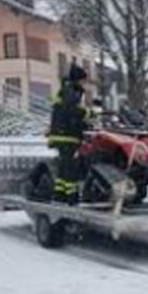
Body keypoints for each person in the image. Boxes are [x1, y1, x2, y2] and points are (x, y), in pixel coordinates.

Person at [48, 63, 90, 204]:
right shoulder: (71, 92)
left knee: (64, 167)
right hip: (67, 136)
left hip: (63, 135)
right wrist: (88, 114)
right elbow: (73, 111)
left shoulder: (67, 90)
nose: (85, 83)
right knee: (71, 168)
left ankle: (59, 194)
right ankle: (72, 197)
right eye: (83, 80)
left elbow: (67, 113)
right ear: (78, 79)